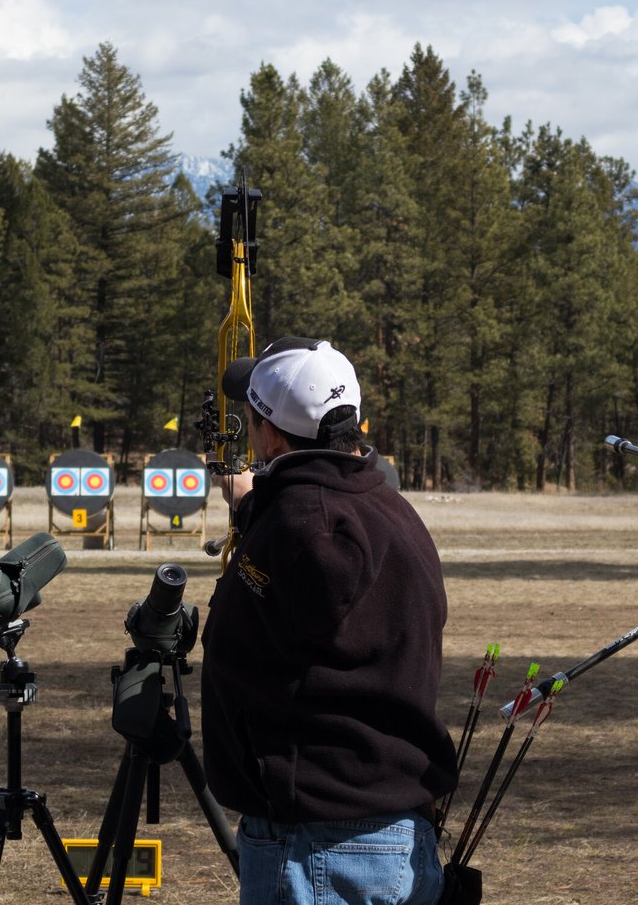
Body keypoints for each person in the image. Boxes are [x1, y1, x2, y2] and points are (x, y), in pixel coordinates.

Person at [201, 336, 457, 905]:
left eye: (253, 420)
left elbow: (293, 592)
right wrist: (258, 505)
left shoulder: (303, 526)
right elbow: (318, 609)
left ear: (270, 433)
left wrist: (266, 512)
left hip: (317, 846)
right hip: (393, 831)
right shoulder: (386, 507)